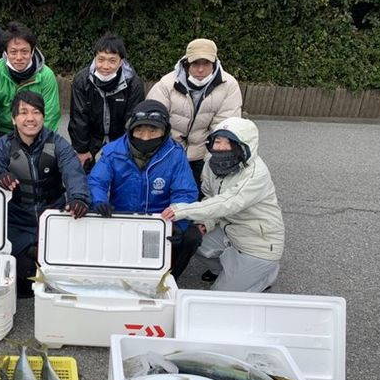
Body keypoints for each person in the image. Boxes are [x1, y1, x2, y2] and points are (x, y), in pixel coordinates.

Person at [162, 117, 284, 292]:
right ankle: (225, 271)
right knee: (193, 239)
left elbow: (228, 203)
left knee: (219, 298)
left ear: (244, 145)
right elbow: (211, 196)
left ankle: (264, 275)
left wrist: (180, 210)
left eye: (229, 143)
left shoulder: (256, 173)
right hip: (230, 230)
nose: (220, 147)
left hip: (258, 243)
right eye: (217, 141)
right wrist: (206, 223)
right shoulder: (211, 164)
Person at [88, 99, 201, 279]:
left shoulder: (175, 154)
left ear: (164, 131)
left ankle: (168, 278)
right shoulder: (112, 151)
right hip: (121, 218)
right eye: (139, 130)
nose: (145, 137)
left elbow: (185, 192)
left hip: (159, 220)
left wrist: (177, 221)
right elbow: (96, 181)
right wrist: (99, 200)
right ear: (131, 128)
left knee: (190, 237)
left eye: (153, 130)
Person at [0, 90, 90, 296]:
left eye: (36, 112)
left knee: (65, 270)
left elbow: (73, 171)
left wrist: (78, 197)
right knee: (20, 279)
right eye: (23, 112)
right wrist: (0, 175)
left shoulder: (58, 143)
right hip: (17, 220)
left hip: (52, 215)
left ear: (43, 117)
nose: (30, 118)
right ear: (13, 118)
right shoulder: (3, 145)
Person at [146, 38, 242, 195]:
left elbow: (224, 128)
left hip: (202, 152)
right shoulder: (166, 83)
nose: (200, 69)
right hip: (167, 149)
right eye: (195, 63)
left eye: (206, 64)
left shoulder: (229, 86)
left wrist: (210, 164)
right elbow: (153, 122)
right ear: (186, 62)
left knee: (198, 197)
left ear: (215, 62)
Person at [0, 22, 61, 159]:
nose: (19, 57)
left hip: (34, 132)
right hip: (1, 132)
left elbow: (51, 116)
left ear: (32, 51)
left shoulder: (46, 76)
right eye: (13, 52)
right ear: (5, 52)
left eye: (24, 51)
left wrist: (42, 146)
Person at [68, 33, 145, 173]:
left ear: (121, 62)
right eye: (101, 59)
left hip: (119, 136)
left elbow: (133, 121)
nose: (105, 66)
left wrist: (125, 149)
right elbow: (79, 117)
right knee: (83, 176)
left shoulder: (134, 84)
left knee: (121, 177)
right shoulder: (81, 80)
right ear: (95, 58)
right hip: (92, 136)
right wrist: (82, 150)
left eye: (112, 61)